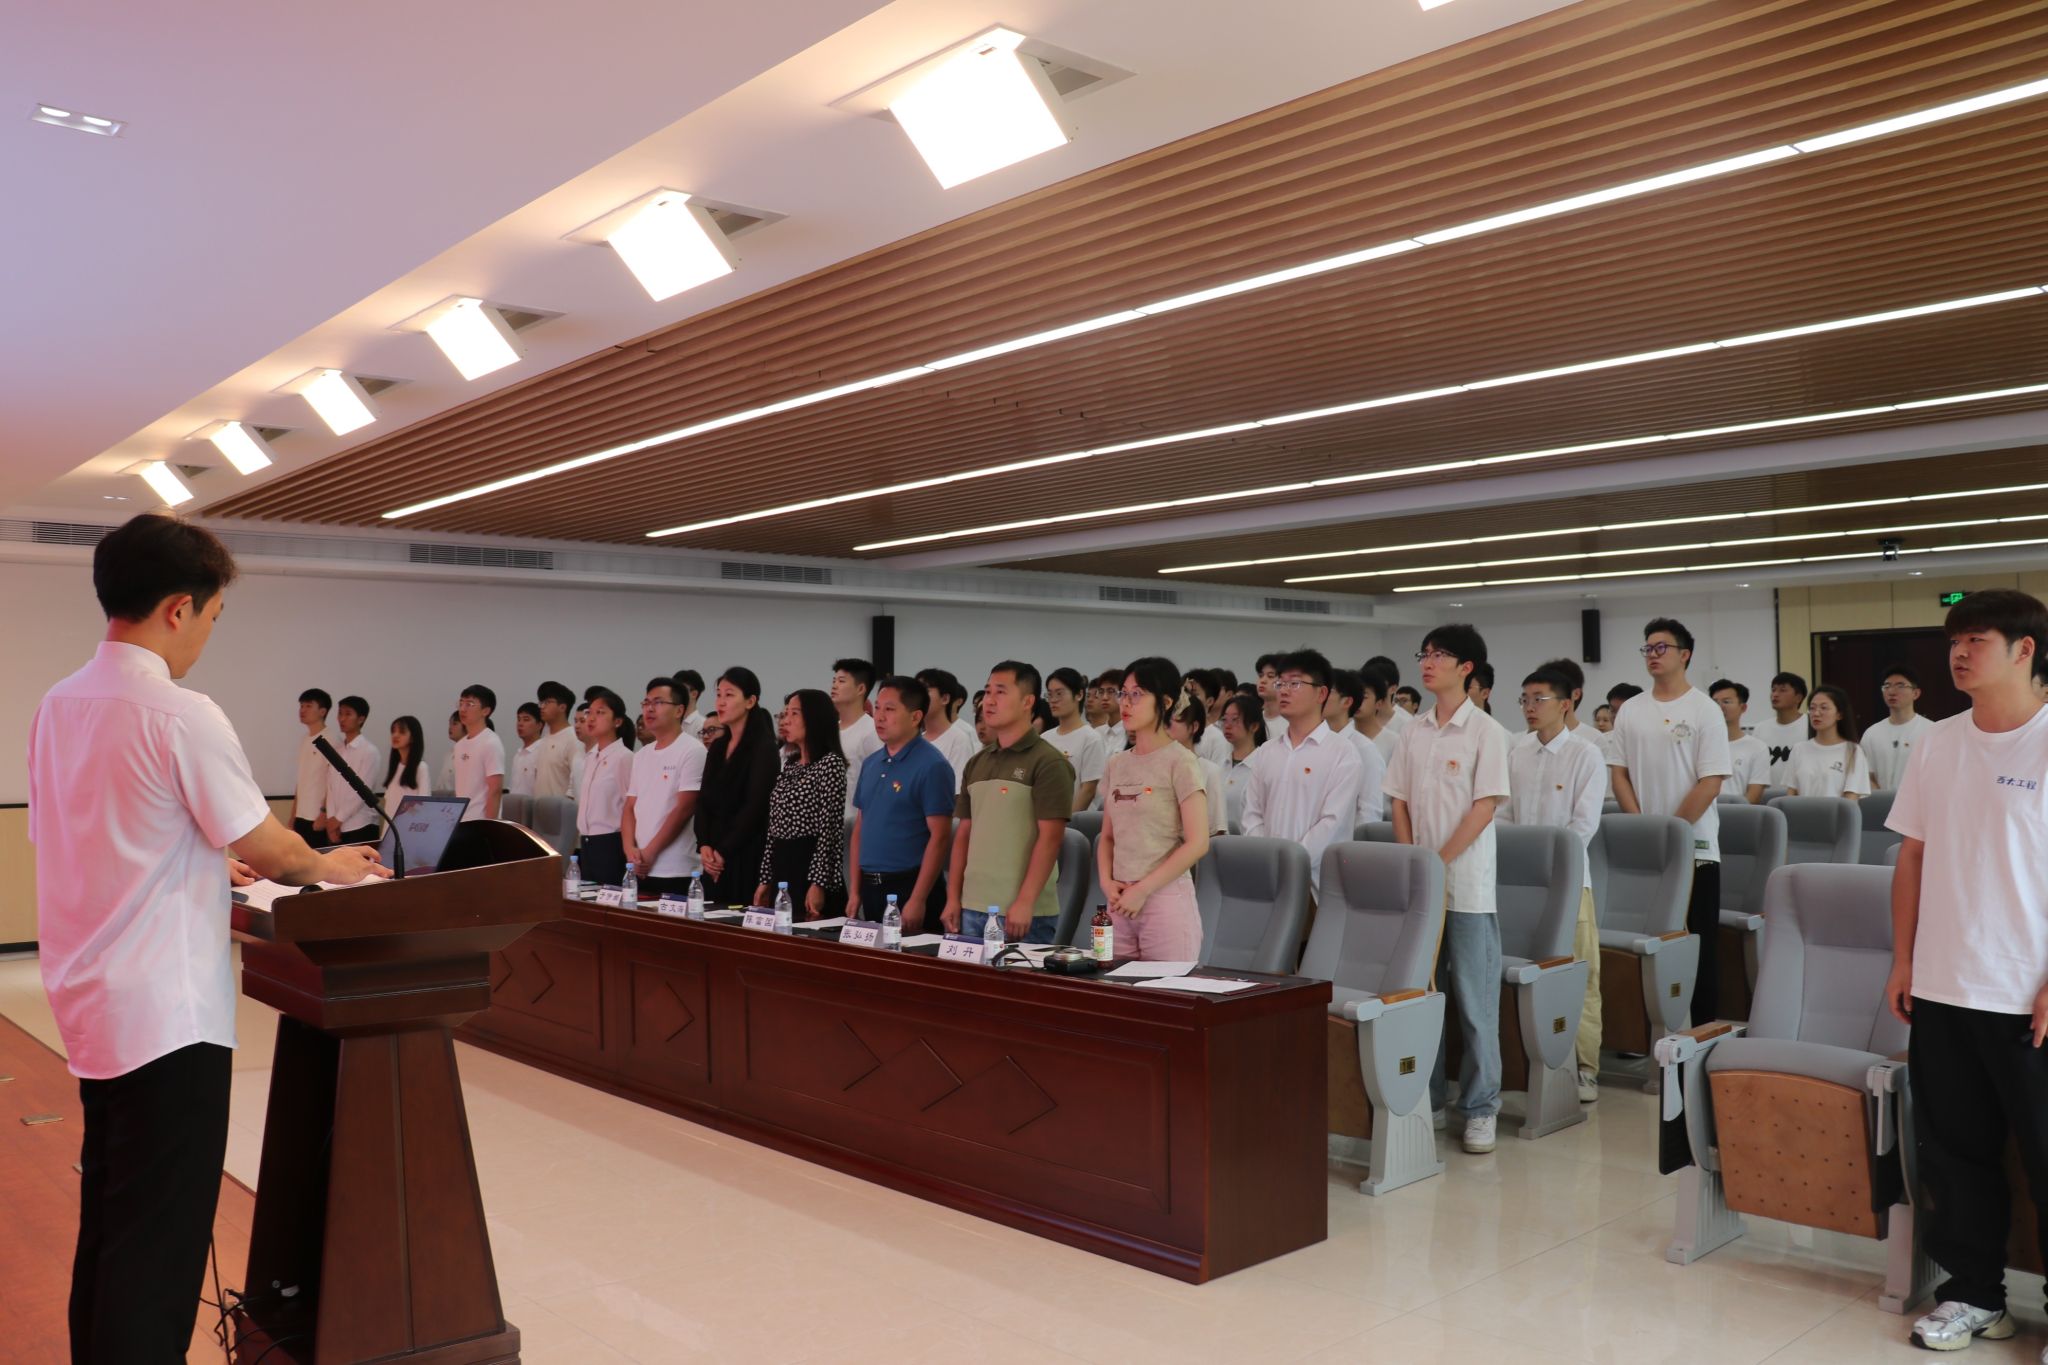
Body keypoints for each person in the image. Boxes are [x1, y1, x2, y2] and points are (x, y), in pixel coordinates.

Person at [30, 514, 386, 1362]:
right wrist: (332, 864)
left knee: (112, 1219)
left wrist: (195, 858)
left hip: (92, 1004)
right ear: (178, 608)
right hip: (169, 1018)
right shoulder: (180, 711)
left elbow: (93, 834)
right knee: (159, 1246)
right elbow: (274, 847)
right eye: (215, 617)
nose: (208, 637)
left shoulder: (58, 703)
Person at [1882, 589, 2048, 1354]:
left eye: (1975, 639)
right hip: (1944, 986)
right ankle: (1976, 1295)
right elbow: (1912, 856)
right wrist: (1905, 957)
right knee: (1956, 1156)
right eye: (1954, 640)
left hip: (2027, 994)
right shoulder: (1938, 742)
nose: (1958, 653)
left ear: (2025, 649)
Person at [1383, 624, 1511, 1153]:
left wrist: (1438, 862)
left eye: (1440, 655)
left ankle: (1481, 1108)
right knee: (1423, 998)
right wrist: (1416, 862)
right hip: (1424, 890)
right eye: (1425, 653)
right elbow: (1397, 799)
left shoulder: (1486, 731)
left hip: (1468, 889)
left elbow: (1485, 807)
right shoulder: (1412, 731)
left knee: (1476, 1005)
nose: (1427, 662)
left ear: (1467, 668)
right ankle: (1430, 1097)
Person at [1608, 618, 1732, 1024]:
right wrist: (1644, 829)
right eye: (1648, 648)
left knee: (1698, 944)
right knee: (1651, 943)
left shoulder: (1704, 709)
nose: (1653, 655)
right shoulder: (1632, 709)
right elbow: (1619, 773)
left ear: (1685, 655)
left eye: (1662, 647)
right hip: (1647, 850)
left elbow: (1710, 781)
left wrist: (1672, 833)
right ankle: (1648, 1032)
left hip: (1696, 848)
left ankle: (1703, 1034)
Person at [1502, 664, 1606, 1102]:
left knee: (1578, 972)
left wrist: (1543, 860)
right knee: (1526, 972)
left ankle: (1585, 1067)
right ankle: (1524, 1061)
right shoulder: (1517, 752)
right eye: (1525, 699)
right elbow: (1504, 815)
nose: (1530, 707)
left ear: (1565, 704)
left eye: (1539, 699)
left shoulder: (1586, 755)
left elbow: (1583, 826)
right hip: (1520, 884)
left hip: (1568, 883)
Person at [944, 661, 1073, 945]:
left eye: (1000, 692)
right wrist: (953, 897)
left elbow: (1051, 838)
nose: (988, 701)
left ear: (1027, 702)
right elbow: (963, 834)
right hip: (972, 906)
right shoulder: (977, 762)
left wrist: (1026, 901)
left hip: (1022, 912)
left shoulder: (1048, 762)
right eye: (988, 691)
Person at [1100, 658, 1212, 960]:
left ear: (1165, 702)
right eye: (1123, 693)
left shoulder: (1181, 761)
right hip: (1119, 900)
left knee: (1166, 988)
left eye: (1137, 694)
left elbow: (1198, 842)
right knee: (1113, 986)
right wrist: (1106, 882)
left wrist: (1143, 889)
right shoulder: (1116, 763)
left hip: (1164, 898)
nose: (1126, 703)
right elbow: (1107, 837)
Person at [1242, 648, 1364, 892]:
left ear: (1321, 693)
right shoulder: (1267, 751)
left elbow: (1332, 823)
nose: (1284, 690)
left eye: (1295, 683)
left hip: (1315, 885)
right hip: (1266, 879)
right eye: (1281, 683)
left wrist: (1290, 865)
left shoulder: (1343, 753)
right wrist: (1266, 860)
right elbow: (1252, 813)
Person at [848, 676, 954, 929]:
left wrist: (918, 898)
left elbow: (940, 837)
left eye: (890, 709)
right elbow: (860, 828)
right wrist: (855, 890)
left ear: (915, 717)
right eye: (877, 708)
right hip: (870, 885)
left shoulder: (932, 766)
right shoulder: (871, 763)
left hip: (909, 885)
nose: (879, 717)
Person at [753, 689, 847, 915]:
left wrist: (818, 883)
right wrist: (765, 878)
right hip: (782, 864)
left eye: (794, 713)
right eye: (785, 714)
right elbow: (773, 827)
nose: (786, 720)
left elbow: (830, 830)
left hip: (809, 863)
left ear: (814, 718)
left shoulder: (830, 764)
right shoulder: (790, 765)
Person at [696, 667, 781, 904]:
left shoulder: (764, 747)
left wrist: (723, 851)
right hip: (712, 855)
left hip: (745, 851)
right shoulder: (718, 746)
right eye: (718, 695)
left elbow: (756, 806)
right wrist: (704, 844)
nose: (721, 702)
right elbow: (703, 799)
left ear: (750, 701)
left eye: (729, 695)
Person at [622, 676, 706, 898]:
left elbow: (684, 808)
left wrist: (650, 853)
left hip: (676, 868)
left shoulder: (693, 750)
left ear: (679, 710)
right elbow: (629, 807)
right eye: (646, 702)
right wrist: (630, 851)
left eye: (658, 702)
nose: (649, 709)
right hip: (639, 865)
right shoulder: (641, 755)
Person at [574, 688, 635, 886]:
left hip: (611, 843)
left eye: (600, 713)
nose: (591, 718)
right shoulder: (591, 757)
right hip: (587, 842)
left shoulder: (624, 758)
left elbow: (632, 806)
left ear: (617, 721)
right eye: (589, 712)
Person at [1322, 668, 1388, 826]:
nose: (1320, 697)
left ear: (1347, 702)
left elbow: (1369, 810)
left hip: (1347, 838)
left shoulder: (1364, 749)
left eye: (1328, 691)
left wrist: (1355, 841)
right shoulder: (1314, 742)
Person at [1786, 683, 1870, 800]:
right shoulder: (1799, 749)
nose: (1816, 713)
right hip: (1802, 811)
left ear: (1839, 714)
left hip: (1837, 812)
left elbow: (1851, 799)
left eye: (1824, 708)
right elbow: (1791, 795)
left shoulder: (1853, 751)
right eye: (1812, 708)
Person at [320, 694, 382, 844]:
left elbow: (361, 791)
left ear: (361, 719)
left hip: (361, 824)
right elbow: (331, 787)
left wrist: (338, 819)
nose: (342, 719)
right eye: (340, 713)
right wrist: (331, 819)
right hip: (337, 826)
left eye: (348, 714)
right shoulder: (337, 750)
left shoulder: (369, 751)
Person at [1043, 666, 1107, 810]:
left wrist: (1068, 820)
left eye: (1059, 694)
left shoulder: (1091, 738)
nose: (1053, 700)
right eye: (1050, 695)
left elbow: (1088, 789)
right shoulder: (1044, 738)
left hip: (1075, 819)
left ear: (1079, 695)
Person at [1863, 665, 1935, 790]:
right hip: (1880, 801)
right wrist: (1881, 798)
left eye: (1900, 686)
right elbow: (1866, 776)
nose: (1891, 691)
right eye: (1887, 686)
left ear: (1916, 693)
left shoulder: (1931, 730)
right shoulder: (1872, 733)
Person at [1169, 701, 1229, 836]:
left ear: (1193, 727)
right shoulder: (1155, 767)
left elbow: (1217, 831)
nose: (1166, 727)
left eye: (1174, 720)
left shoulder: (1210, 771)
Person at [451, 684, 506, 821]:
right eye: (461, 703)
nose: (462, 709)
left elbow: (495, 790)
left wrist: (489, 825)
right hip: (461, 820)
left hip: (481, 821)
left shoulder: (491, 742)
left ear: (485, 711)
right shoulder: (459, 745)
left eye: (470, 704)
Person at [1709, 679, 1770, 803]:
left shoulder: (1757, 748)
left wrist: (1738, 813)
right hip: (1704, 811)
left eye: (1726, 702)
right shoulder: (1701, 744)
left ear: (1743, 707)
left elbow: (1754, 795)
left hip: (1739, 812)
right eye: (1715, 702)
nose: (1719, 707)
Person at [831, 657, 881, 804]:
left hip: (856, 815)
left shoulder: (872, 731)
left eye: (841, 681)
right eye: (834, 681)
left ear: (861, 689)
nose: (834, 686)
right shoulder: (830, 730)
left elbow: (879, 781)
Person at [915, 667, 977, 783]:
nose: (918, 697)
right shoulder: (916, 740)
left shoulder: (959, 740)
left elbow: (959, 789)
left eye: (925, 690)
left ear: (945, 699)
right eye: (916, 691)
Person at [292, 686, 335, 847]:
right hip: (301, 816)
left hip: (317, 817)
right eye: (301, 705)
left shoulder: (330, 739)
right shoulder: (305, 739)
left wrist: (324, 813)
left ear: (322, 711)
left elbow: (333, 782)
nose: (302, 710)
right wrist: (293, 815)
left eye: (308, 706)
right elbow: (301, 780)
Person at [1217, 693, 1265, 835]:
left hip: (1248, 843)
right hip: (1218, 843)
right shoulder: (1220, 765)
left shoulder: (1262, 765)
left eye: (1235, 720)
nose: (1227, 726)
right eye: (1224, 719)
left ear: (1254, 726)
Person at [1757, 671, 1810, 786]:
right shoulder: (1761, 728)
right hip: (1766, 794)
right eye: (1773, 690)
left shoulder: (1811, 725)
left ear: (1798, 697)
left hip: (1799, 793)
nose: (1775, 694)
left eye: (1782, 690)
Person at [532, 680, 582, 799]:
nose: (542, 707)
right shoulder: (544, 739)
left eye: (547, 702)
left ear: (562, 707)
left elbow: (576, 781)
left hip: (561, 809)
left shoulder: (574, 738)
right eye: (541, 702)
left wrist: (565, 806)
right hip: (540, 807)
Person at [382, 715, 432, 819]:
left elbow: (424, 805)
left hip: (408, 826)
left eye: (402, 732)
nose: (395, 735)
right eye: (393, 731)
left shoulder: (421, 767)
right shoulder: (395, 767)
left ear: (413, 737)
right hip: (390, 827)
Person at [508, 701, 543, 798]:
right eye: (518, 719)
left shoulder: (542, 752)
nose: (520, 724)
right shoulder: (518, 754)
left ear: (539, 725)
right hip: (515, 805)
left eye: (526, 719)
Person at [436, 709, 462, 795]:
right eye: (449, 724)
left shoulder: (471, 753)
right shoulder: (449, 754)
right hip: (445, 799)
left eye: (454, 724)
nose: (450, 727)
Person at [674, 669, 707, 738]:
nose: (675, 694)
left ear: (694, 694)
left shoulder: (702, 725)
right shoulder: (671, 723)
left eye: (680, 690)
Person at [1254, 652, 1284, 724]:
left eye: (1270, 676)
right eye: (1260, 676)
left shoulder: (1292, 721)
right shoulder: (1253, 720)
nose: (1262, 681)